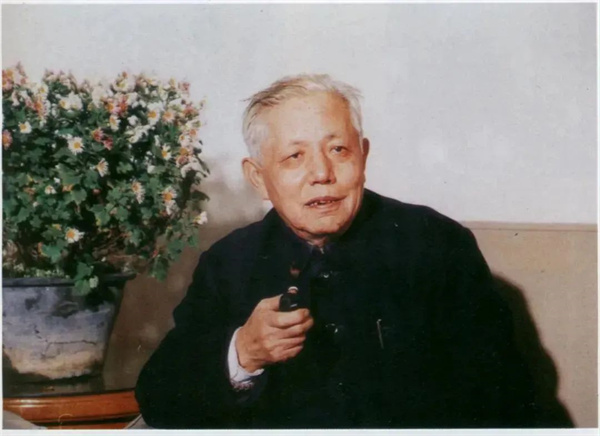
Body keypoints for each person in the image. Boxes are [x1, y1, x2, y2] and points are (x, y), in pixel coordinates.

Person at [135, 74, 537, 428]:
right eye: (295, 156)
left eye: (339, 150)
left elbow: (503, 396)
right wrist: (244, 352)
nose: (322, 174)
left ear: (363, 155)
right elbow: (159, 398)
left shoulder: (436, 245)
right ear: (258, 178)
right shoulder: (229, 263)